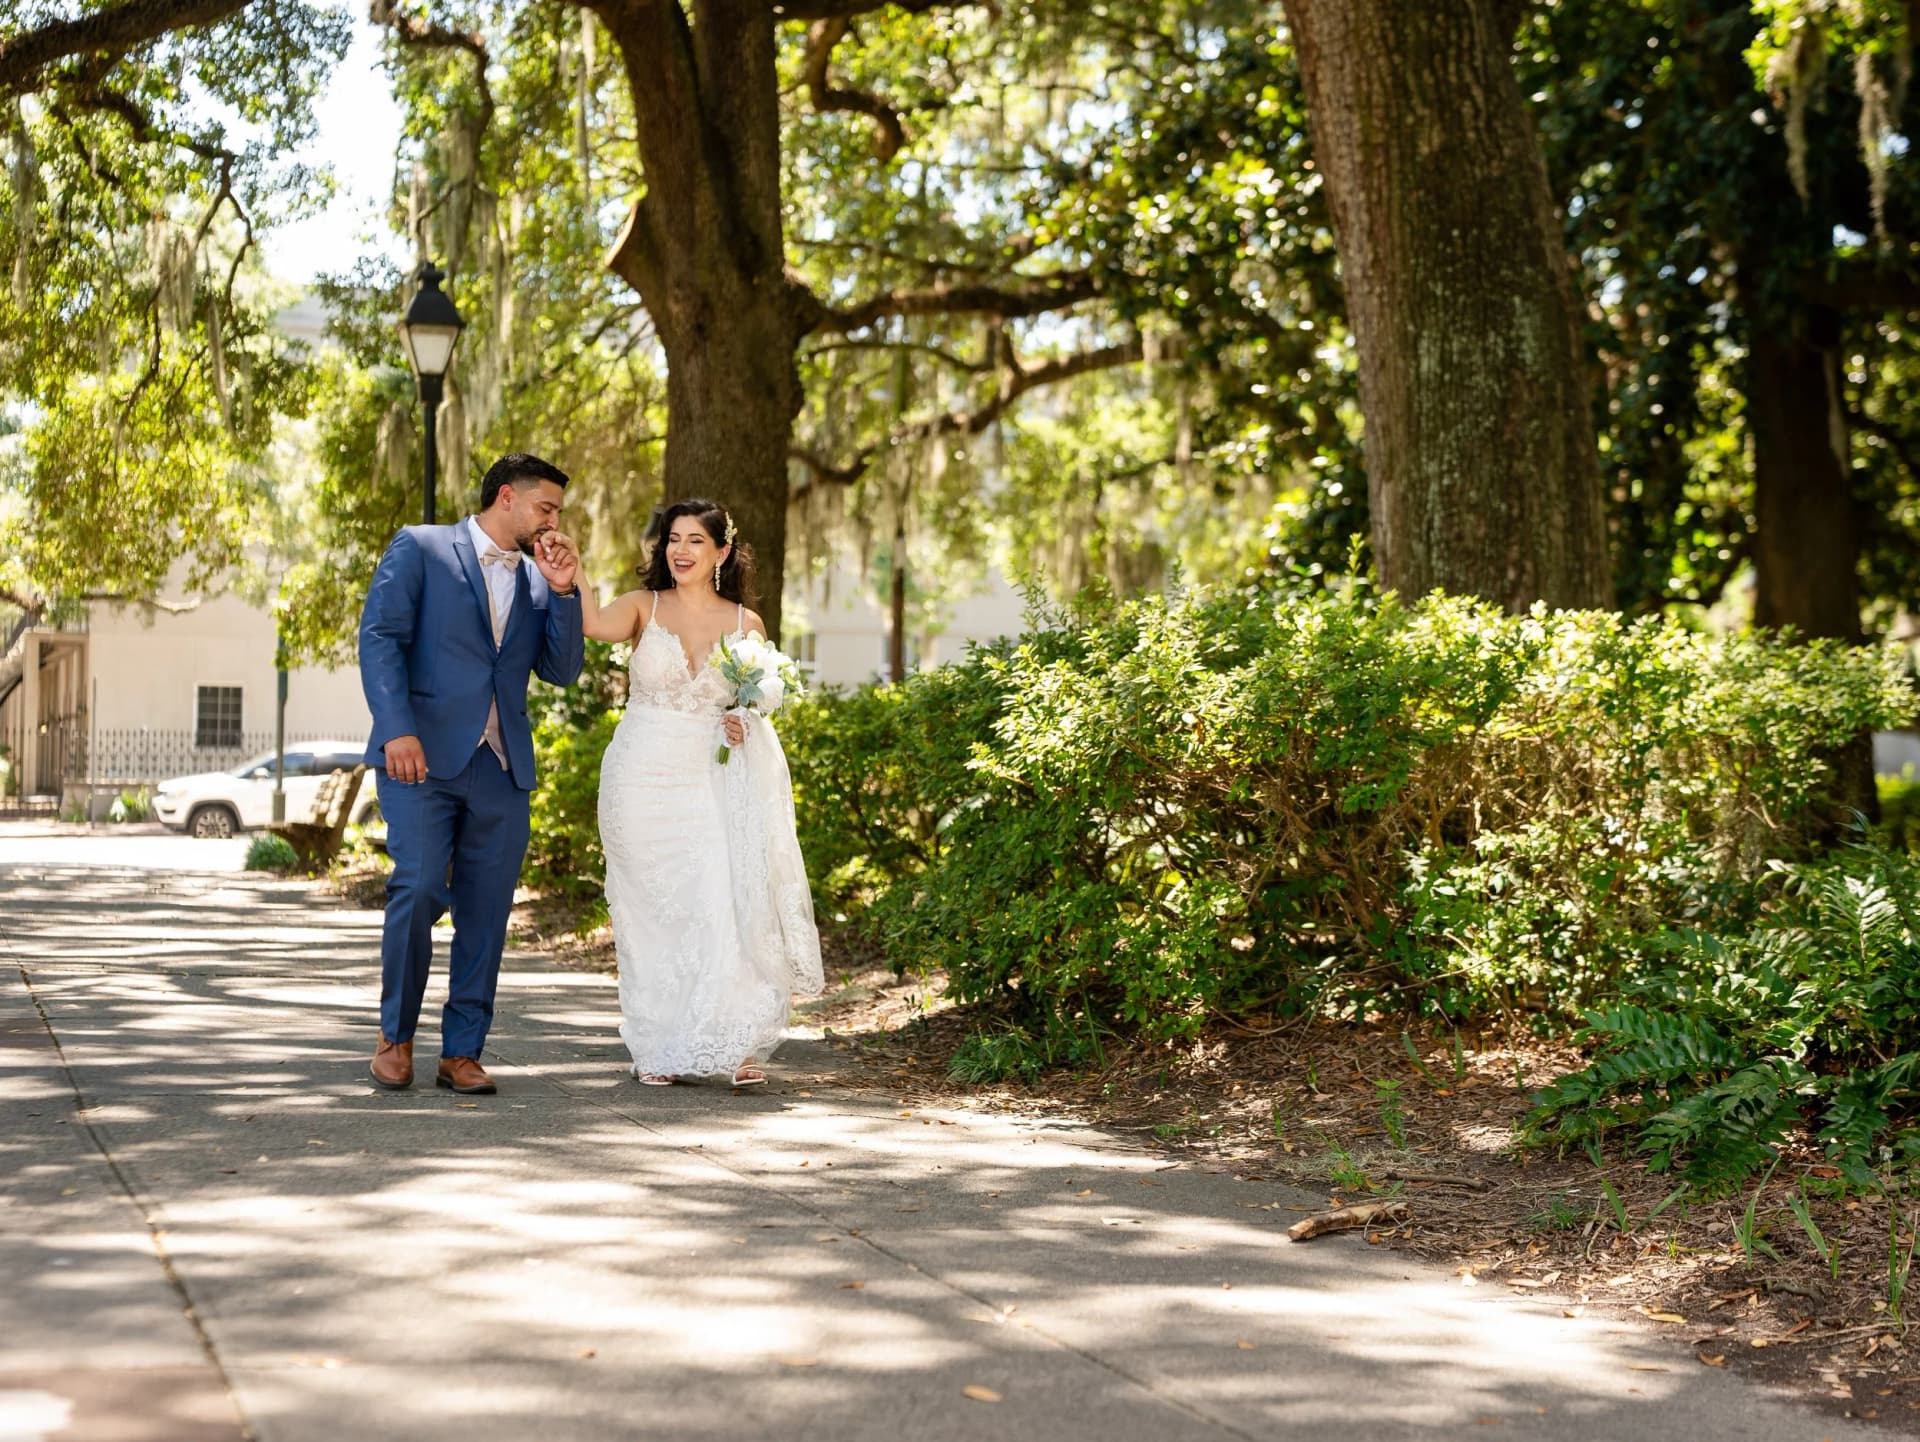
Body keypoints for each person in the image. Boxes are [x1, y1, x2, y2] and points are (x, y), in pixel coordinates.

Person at [358, 453, 586, 1095]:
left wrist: (564, 592)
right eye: (546, 509)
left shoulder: (543, 579)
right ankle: (395, 1036)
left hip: (502, 765)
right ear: (507, 497)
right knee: (421, 886)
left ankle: (462, 1051)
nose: (553, 524)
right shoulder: (422, 548)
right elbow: (379, 637)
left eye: (558, 514)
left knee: (487, 912)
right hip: (420, 759)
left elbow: (562, 672)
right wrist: (396, 727)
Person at [578, 498, 822, 1087]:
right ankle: (658, 1047)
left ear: (722, 552)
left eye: (693, 540)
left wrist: (744, 721)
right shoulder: (643, 607)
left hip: (708, 781)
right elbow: (590, 625)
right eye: (672, 540)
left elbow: (753, 708)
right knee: (651, 915)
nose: (679, 551)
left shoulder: (746, 626)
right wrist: (576, 578)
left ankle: (735, 1046)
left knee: (719, 900)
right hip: (639, 778)